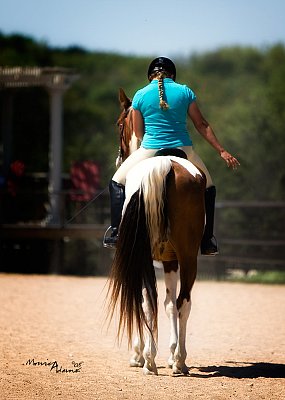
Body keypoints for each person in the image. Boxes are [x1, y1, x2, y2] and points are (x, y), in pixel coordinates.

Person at [103, 57, 240, 254]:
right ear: (173, 75)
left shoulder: (140, 95)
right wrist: (222, 150)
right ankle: (207, 239)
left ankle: (115, 232)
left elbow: (139, 134)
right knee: (209, 187)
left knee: (116, 182)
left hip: (150, 150)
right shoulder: (185, 91)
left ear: (150, 76)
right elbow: (201, 124)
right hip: (184, 150)